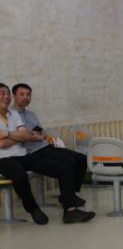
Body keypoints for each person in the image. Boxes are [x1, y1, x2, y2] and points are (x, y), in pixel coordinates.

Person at [0, 83, 95, 225]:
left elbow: (26, 135)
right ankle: (33, 208)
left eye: (7, 93)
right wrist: (20, 136)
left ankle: (70, 210)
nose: (6, 96)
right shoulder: (15, 113)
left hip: (23, 154)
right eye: (2, 93)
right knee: (19, 174)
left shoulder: (13, 114)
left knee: (65, 167)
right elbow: (2, 145)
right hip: (4, 158)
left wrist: (7, 134)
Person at [11, 83, 87, 207]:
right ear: (14, 96)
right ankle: (69, 198)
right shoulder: (11, 115)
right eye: (22, 94)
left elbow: (42, 133)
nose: (26, 97)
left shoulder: (31, 114)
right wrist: (35, 136)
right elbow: (25, 137)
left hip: (44, 145)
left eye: (28, 95)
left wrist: (37, 136)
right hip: (32, 151)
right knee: (69, 162)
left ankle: (69, 195)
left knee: (82, 158)